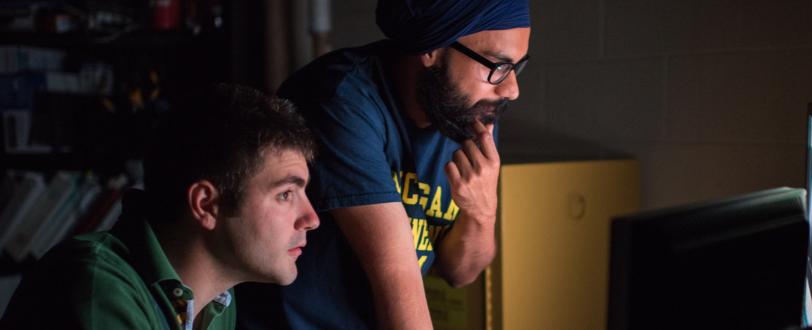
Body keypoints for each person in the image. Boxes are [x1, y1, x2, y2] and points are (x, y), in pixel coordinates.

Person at [235, 0, 531, 329]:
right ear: (432, 49)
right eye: (498, 66)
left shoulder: (465, 109)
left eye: (517, 67)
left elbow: (459, 272)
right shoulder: (342, 99)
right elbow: (396, 275)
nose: (512, 89)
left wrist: (482, 211)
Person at [0, 84, 320, 329]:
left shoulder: (217, 298)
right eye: (285, 195)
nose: (311, 219)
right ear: (206, 205)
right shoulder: (98, 286)